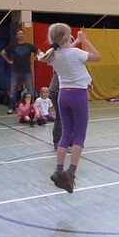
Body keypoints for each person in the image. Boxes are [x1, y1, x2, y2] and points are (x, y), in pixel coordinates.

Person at [39, 23, 101, 193]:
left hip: (62, 95)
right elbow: (97, 56)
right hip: (78, 95)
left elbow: (66, 51)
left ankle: (58, 170)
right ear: (67, 37)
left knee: (66, 132)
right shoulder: (76, 53)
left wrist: (75, 42)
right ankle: (70, 173)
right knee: (79, 134)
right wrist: (84, 40)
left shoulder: (53, 55)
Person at [0, 29, 43, 114]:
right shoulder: (12, 46)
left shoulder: (29, 46)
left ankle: (32, 107)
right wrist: (9, 61)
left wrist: (33, 60)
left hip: (27, 72)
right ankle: (11, 108)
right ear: (16, 36)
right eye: (19, 34)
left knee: (31, 91)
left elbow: (38, 51)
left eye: (22, 34)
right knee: (13, 91)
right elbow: (2, 53)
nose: (21, 35)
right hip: (15, 72)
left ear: (24, 35)